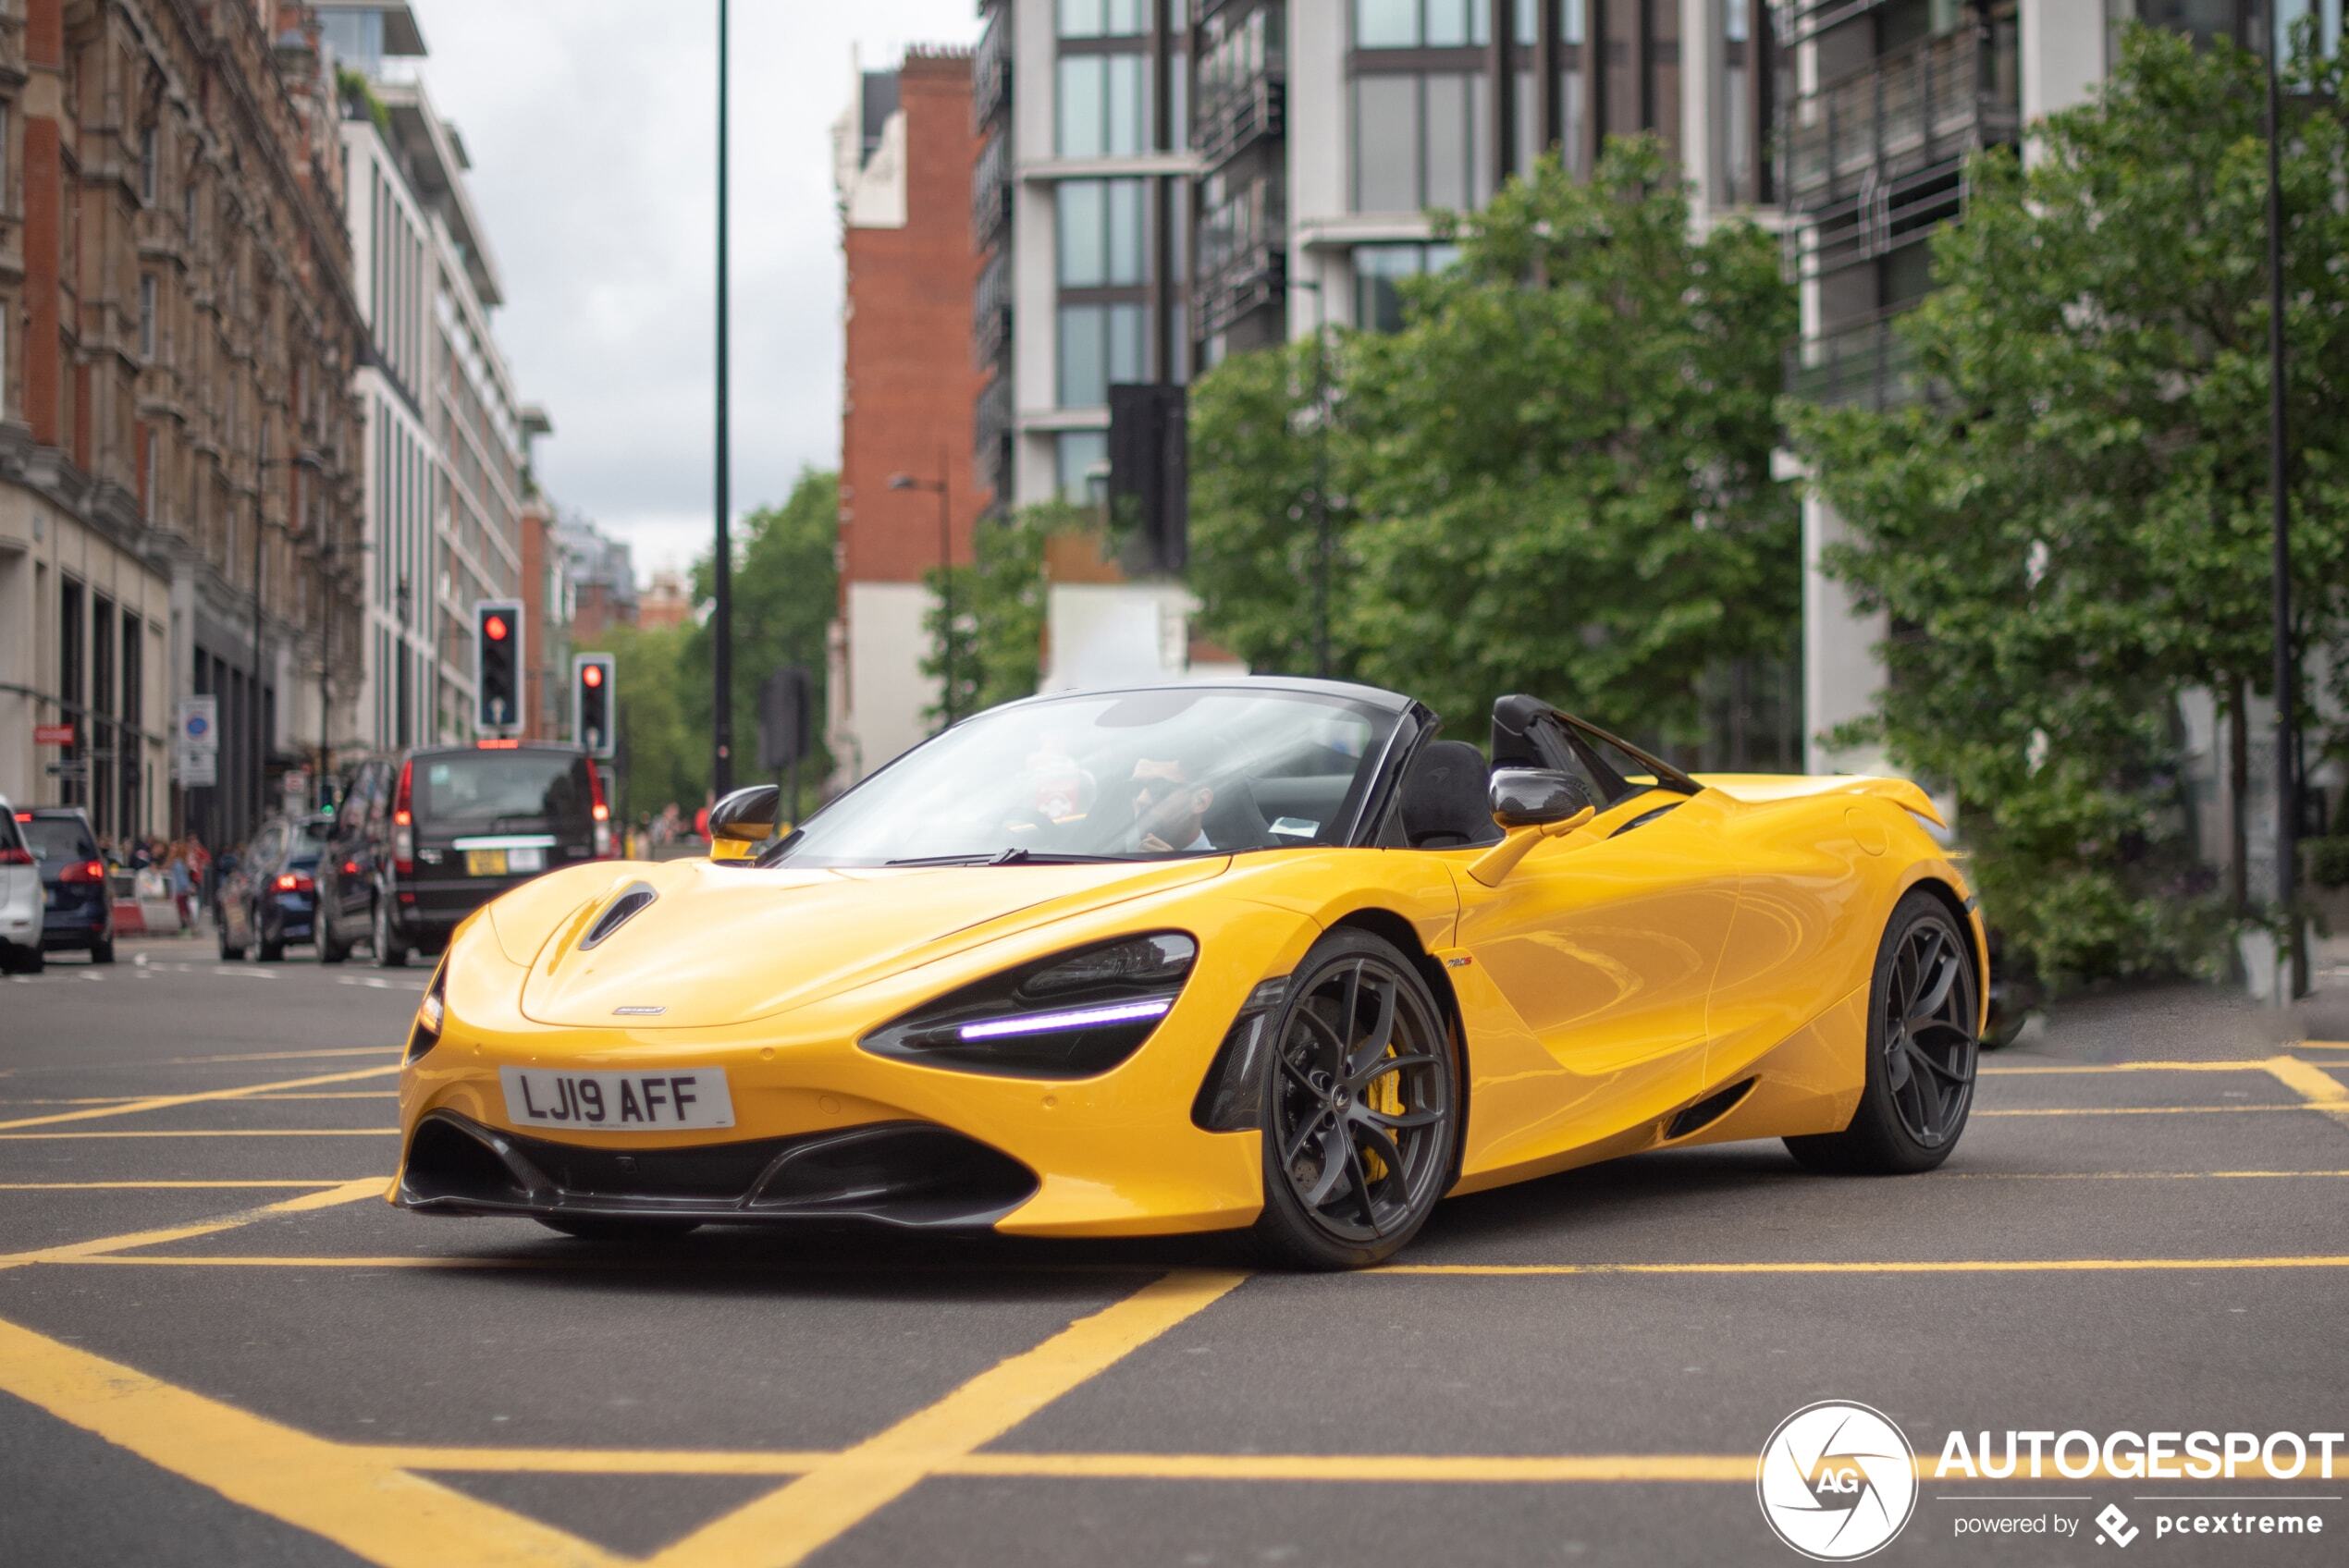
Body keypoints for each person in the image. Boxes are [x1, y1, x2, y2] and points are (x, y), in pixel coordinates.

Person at [1127, 753, 1216, 853]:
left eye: (1158, 786)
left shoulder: (1231, 867)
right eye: (1135, 787)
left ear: (1200, 801)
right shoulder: (1112, 863)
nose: (1141, 799)